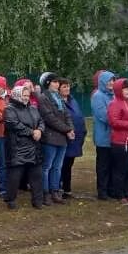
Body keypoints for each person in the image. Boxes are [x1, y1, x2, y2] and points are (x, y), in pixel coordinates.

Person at [2, 81, 45, 210]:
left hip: (34, 147)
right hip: (17, 148)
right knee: (15, 177)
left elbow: (41, 121)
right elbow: (14, 125)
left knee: (36, 176)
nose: (26, 97)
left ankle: (38, 201)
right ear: (17, 95)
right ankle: (11, 200)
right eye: (24, 95)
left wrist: (39, 130)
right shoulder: (9, 109)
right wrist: (32, 132)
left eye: (27, 95)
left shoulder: (33, 108)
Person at [36, 73, 74, 205]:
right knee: (47, 166)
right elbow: (50, 118)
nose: (57, 84)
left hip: (62, 138)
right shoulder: (42, 98)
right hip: (50, 138)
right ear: (47, 83)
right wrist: (67, 129)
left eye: (58, 82)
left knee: (58, 166)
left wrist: (70, 128)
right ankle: (45, 193)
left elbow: (67, 115)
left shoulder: (58, 97)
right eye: (54, 82)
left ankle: (55, 191)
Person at [90, 70, 116, 200]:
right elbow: (104, 116)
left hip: (115, 137)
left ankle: (111, 189)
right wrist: (119, 119)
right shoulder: (98, 96)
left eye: (113, 80)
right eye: (109, 80)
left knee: (113, 165)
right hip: (103, 136)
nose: (111, 83)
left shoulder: (114, 95)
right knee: (103, 166)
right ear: (103, 82)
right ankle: (102, 191)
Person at [59, 79, 87, 199]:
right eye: (64, 87)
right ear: (58, 88)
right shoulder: (57, 102)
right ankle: (60, 188)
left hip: (75, 138)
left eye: (68, 86)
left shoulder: (72, 100)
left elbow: (78, 116)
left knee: (69, 164)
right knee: (62, 164)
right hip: (63, 138)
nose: (67, 89)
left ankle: (67, 189)